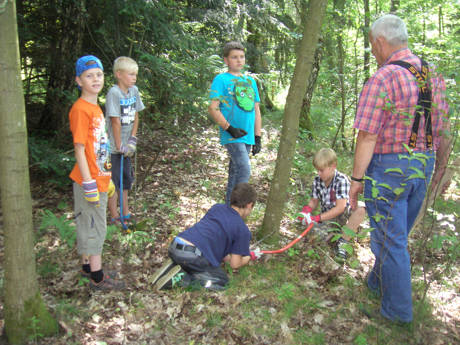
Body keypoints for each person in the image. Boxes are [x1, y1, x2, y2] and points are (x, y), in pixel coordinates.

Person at [349, 14, 450, 323]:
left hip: (389, 168)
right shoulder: (432, 75)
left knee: (391, 241)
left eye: (372, 46)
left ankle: (397, 314)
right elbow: (444, 128)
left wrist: (355, 180)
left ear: (381, 42)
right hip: (424, 164)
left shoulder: (384, 77)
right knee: (395, 236)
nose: (374, 52)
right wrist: (441, 169)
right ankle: (377, 282)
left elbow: (367, 135)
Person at [69, 55, 125, 290]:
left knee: (89, 225)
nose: (95, 79)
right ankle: (97, 277)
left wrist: (107, 178)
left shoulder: (95, 108)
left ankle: (86, 268)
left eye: (99, 74)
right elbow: (80, 148)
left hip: (99, 179)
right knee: (95, 227)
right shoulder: (81, 109)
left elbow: (98, 149)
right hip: (88, 181)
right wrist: (90, 181)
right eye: (89, 75)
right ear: (78, 80)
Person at [151, 183, 261, 291]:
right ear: (249, 205)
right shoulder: (242, 229)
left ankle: (170, 268)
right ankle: (179, 278)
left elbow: (223, 253)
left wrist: (236, 254)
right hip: (192, 254)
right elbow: (235, 264)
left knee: (196, 265)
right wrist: (248, 257)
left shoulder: (217, 208)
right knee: (221, 281)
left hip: (176, 245)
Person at [208, 41, 262, 204]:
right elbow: (213, 108)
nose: (239, 60)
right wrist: (229, 128)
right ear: (226, 60)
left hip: (247, 135)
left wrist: (257, 136)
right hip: (232, 135)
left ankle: (227, 211)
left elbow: (256, 110)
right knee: (244, 170)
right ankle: (237, 210)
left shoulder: (250, 81)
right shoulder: (221, 79)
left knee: (235, 172)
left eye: (241, 57)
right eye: (234, 57)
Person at [297, 148, 365, 260]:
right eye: (317, 170)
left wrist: (316, 218)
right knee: (312, 237)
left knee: (361, 208)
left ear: (333, 166)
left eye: (321, 170)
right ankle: (333, 237)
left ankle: (343, 241)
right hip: (327, 219)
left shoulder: (341, 180)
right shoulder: (317, 180)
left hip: (343, 216)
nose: (319, 173)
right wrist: (306, 212)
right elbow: (314, 201)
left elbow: (340, 208)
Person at [106, 56, 145, 225]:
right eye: (130, 74)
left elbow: (136, 115)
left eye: (135, 74)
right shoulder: (114, 93)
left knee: (126, 180)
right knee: (114, 183)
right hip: (114, 149)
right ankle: (115, 215)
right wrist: (119, 145)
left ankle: (126, 212)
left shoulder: (134, 91)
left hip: (127, 146)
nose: (134, 78)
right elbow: (115, 120)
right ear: (118, 74)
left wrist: (132, 139)